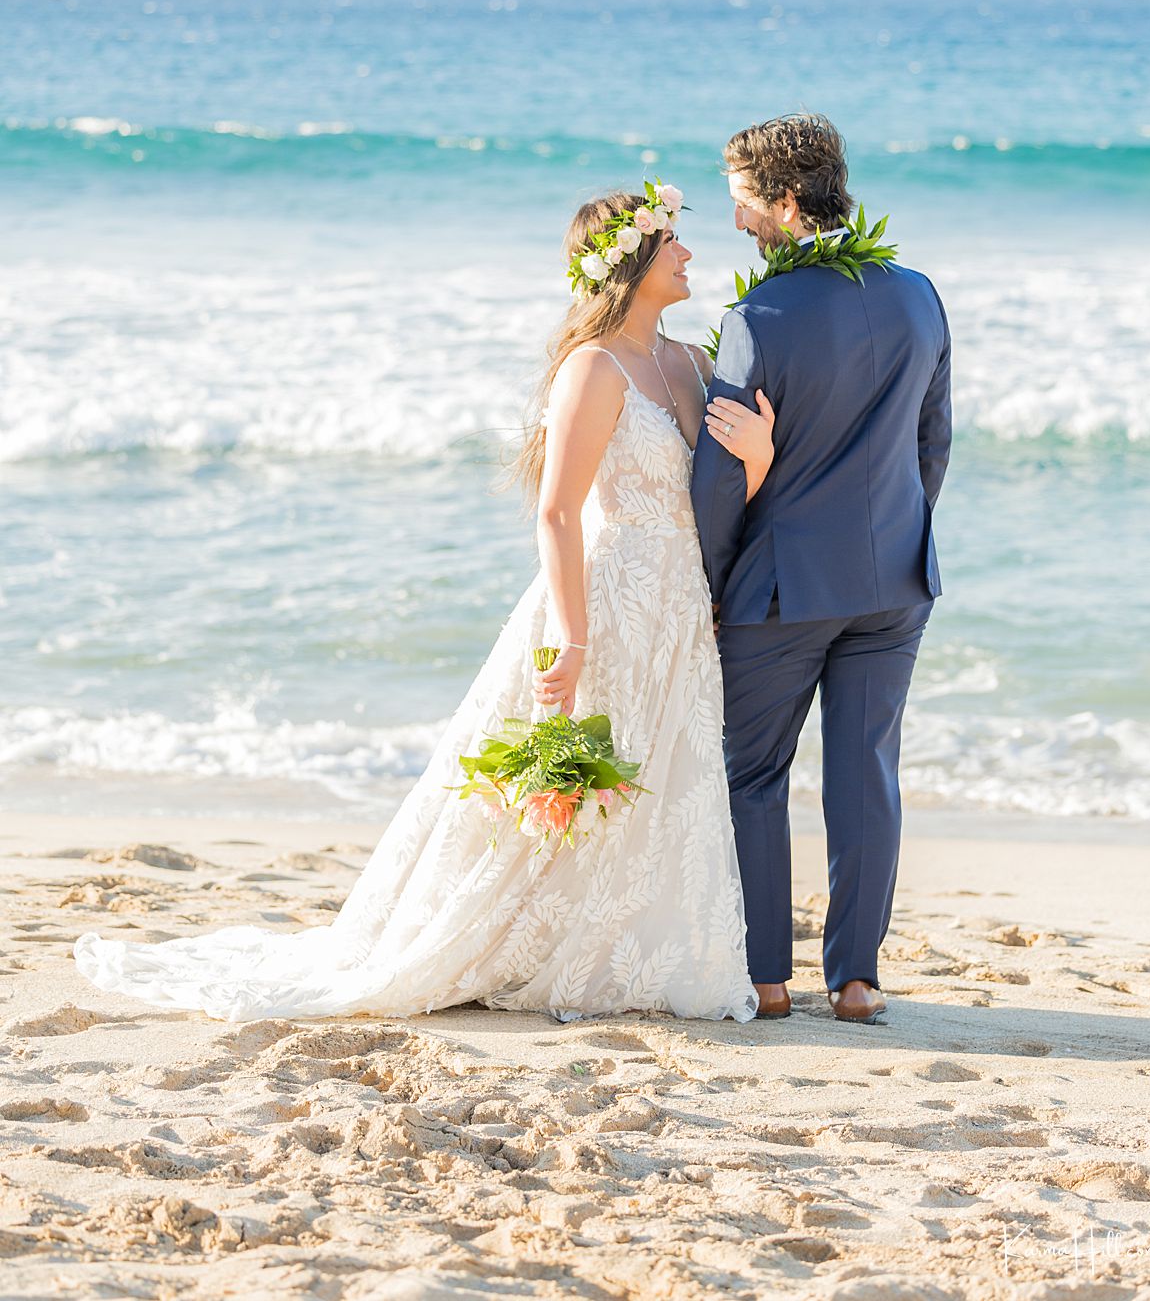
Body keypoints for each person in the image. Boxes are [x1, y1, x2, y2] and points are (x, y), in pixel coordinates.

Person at [73, 182, 764, 1025]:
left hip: (683, 605)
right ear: (630, 262)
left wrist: (756, 465)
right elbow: (555, 510)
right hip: (608, 595)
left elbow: (723, 495)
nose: (690, 253)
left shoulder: (695, 361)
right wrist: (571, 637)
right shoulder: (593, 368)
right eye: (671, 242)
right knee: (582, 778)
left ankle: (626, 946)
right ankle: (520, 943)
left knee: (662, 778)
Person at [692, 115, 952, 1026]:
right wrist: (898, 541)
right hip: (895, 581)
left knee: (753, 774)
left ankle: (768, 980)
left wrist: (711, 585)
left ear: (788, 201)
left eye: (743, 203)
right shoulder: (920, 294)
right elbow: (932, 450)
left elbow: (721, 480)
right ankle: (856, 982)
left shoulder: (754, 319)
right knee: (866, 771)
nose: (736, 224)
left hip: (780, 586)